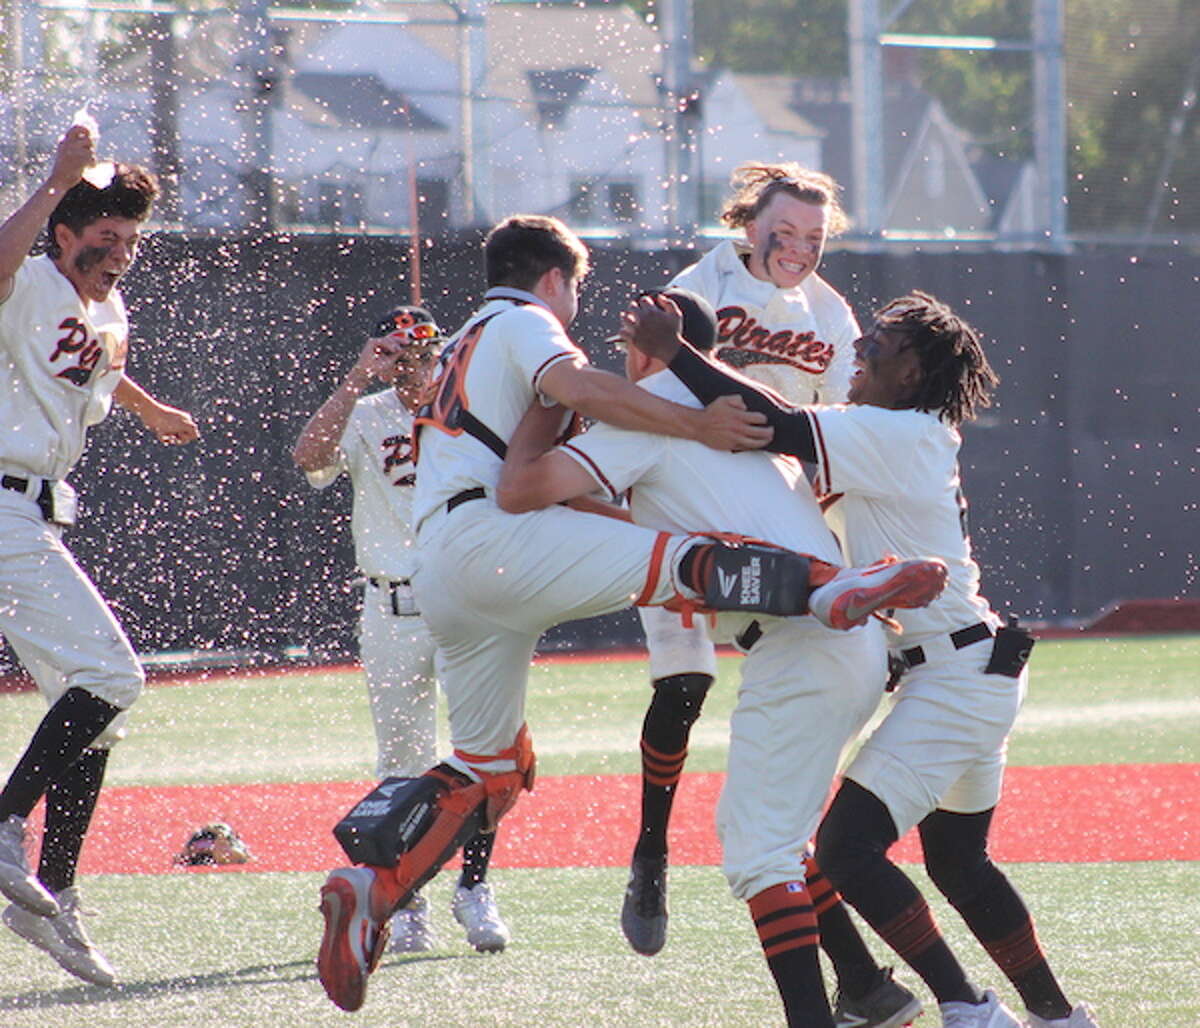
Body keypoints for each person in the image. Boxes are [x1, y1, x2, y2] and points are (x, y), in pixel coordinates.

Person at [313, 214, 940, 1014]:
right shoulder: (528, 320)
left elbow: (549, 446)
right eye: (576, 292)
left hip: (442, 568)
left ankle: (375, 885)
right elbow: (564, 409)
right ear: (553, 281)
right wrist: (692, 420)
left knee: (491, 772)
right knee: (675, 563)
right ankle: (828, 586)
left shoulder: (468, 332)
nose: (588, 324)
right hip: (498, 539)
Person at [624, 291, 1100, 1028]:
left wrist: (679, 352)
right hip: (964, 666)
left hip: (954, 674)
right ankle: (1057, 1017)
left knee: (847, 848)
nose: (860, 350)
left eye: (879, 344)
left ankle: (968, 1006)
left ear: (911, 374)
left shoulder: (897, 430)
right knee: (958, 864)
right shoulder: (898, 428)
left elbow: (770, 423)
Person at [494, 286, 947, 1028]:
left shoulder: (645, 418)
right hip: (839, 646)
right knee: (768, 832)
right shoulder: (744, 402)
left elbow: (523, 488)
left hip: (802, 646)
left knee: (759, 855)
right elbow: (666, 503)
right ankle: (868, 988)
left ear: (644, 350)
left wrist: (544, 399)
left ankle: (822, 1017)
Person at [624, 165, 921, 1028]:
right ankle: (650, 853)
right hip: (689, 500)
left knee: (771, 825)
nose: (797, 249)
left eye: (814, 238)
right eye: (782, 231)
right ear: (744, 223)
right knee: (684, 689)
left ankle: (865, 989)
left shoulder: (830, 312)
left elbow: (831, 433)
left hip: (774, 510)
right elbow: (658, 388)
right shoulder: (697, 287)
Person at [0, 123, 199, 986]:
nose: (119, 253)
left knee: (100, 709)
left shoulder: (105, 306)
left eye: (130, 240)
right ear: (64, 234)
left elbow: (101, 366)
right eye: (103, 238)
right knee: (116, 680)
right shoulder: (33, 274)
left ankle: (55, 895)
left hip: (36, 511)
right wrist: (54, 180)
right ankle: (6, 830)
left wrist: (150, 410)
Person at [292, 304, 509, 955]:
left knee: (484, 749)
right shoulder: (367, 413)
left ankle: (473, 887)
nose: (414, 368)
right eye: (401, 356)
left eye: (424, 354)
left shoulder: (472, 412)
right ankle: (405, 897)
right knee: (401, 763)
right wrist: (361, 376)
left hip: (466, 597)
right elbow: (308, 456)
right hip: (390, 605)